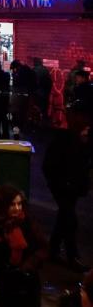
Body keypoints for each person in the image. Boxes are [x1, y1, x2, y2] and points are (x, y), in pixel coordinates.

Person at [42, 113, 90, 269]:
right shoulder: (65, 142)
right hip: (63, 186)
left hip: (71, 188)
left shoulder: (81, 144)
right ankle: (72, 256)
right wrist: (61, 182)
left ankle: (53, 250)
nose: (86, 133)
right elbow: (49, 165)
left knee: (64, 218)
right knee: (69, 219)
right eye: (84, 130)